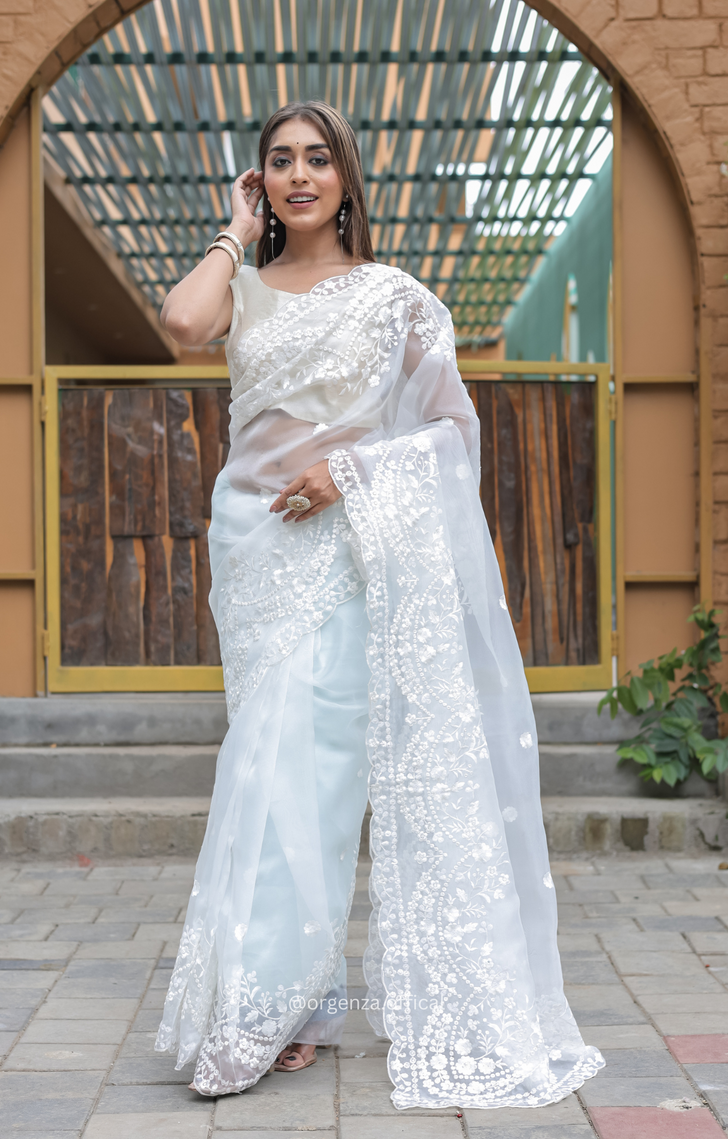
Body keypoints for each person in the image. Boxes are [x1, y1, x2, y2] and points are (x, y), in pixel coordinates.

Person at [155, 99, 604, 1109]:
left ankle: (261, 1006)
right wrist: (233, 231)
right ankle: (302, 1002)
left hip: (337, 547)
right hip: (251, 550)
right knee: (261, 763)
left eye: (318, 159)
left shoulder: (395, 298)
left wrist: (346, 473)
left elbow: (452, 435)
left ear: (348, 178)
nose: (299, 175)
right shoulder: (248, 286)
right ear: (258, 180)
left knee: (305, 775)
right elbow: (181, 322)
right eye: (278, 161)